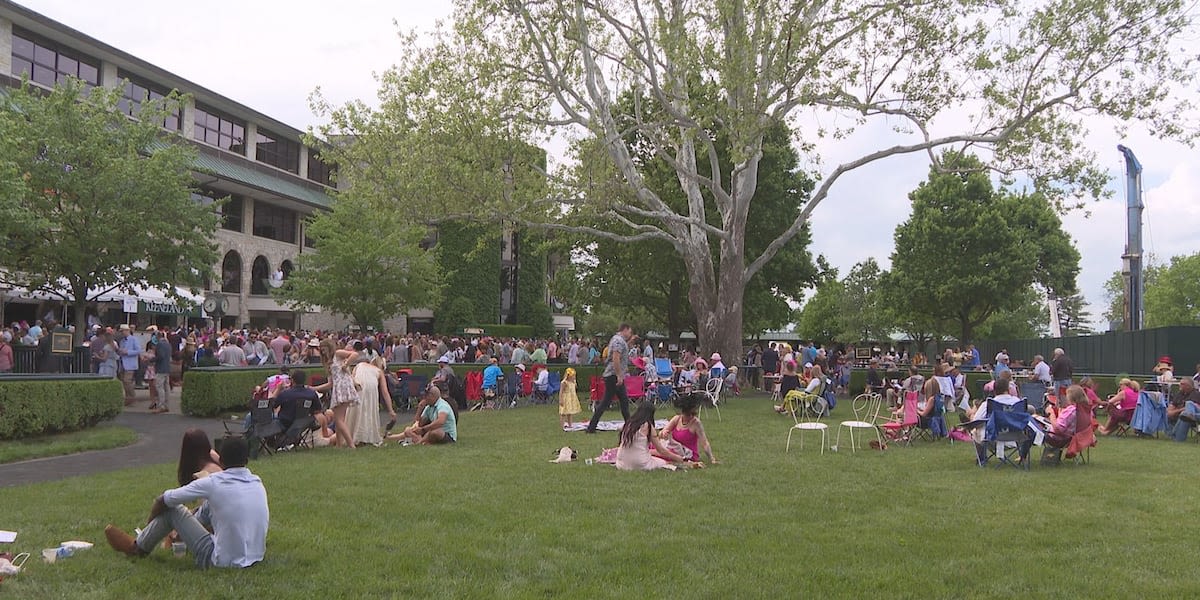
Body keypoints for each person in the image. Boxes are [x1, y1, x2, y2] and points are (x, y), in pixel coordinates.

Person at [103, 436, 269, 569]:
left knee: (173, 510)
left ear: (221, 461)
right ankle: (178, 536)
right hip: (255, 557)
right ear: (246, 460)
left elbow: (164, 500)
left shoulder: (213, 482)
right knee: (207, 507)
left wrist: (150, 524)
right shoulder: (257, 482)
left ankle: (137, 547)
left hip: (221, 561)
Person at [585, 323, 633, 433]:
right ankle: (591, 427)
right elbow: (616, 358)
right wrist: (619, 375)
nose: (630, 334)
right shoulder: (618, 341)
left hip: (613, 375)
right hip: (613, 375)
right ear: (625, 330)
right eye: (629, 332)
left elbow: (621, 352)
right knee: (608, 402)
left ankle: (629, 426)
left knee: (622, 402)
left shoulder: (617, 340)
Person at [310, 342, 359, 450]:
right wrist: (315, 388)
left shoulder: (338, 354)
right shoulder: (328, 363)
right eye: (321, 349)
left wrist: (346, 364)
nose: (323, 351)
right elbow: (330, 383)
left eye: (324, 348)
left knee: (338, 419)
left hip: (344, 387)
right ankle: (339, 444)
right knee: (339, 418)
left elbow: (354, 354)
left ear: (329, 347)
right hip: (337, 389)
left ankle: (351, 445)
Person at [615, 401, 686, 471]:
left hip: (621, 462)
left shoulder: (628, 424)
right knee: (663, 462)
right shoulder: (648, 426)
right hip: (639, 463)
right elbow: (661, 450)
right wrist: (678, 458)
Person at [658, 393, 718, 464]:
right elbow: (661, 433)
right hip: (675, 448)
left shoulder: (696, 423)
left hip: (688, 453)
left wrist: (712, 458)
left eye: (692, 414)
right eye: (688, 414)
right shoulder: (676, 419)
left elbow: (704, 443)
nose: (690, 417)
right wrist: (663, 433)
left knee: (662, 452)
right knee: (654, 446)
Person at [349, 356, 395, 447]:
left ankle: (353, 435)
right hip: (371, 391)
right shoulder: (379, 372)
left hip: (358, 388)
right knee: (368, 411)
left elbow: (352, 378)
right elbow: (385, 393)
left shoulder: (359, 365)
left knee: (357, 411)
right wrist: (391, 410)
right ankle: (364, 436)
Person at [1166, 377, 1200, 442]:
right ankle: (1171, 435)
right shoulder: (1179, 394)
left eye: (1182, 384)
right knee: (1182, 415)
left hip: (1189, 418)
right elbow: (1170, 409)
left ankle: (1175, 435)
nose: (1179, 385)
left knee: (1188, 405)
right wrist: (1174, 411)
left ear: (1188, 386)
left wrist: (1177, 411)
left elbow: (1193, 407)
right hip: (1181, 416)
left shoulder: (1196, 394)